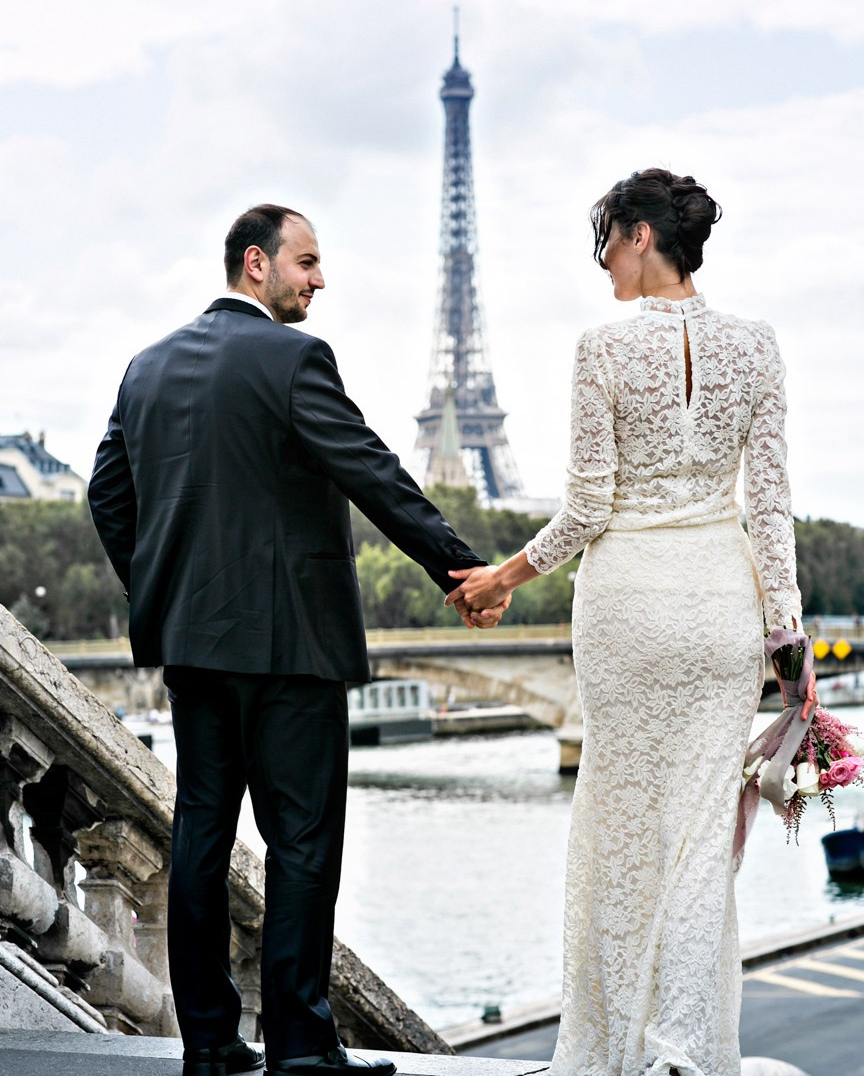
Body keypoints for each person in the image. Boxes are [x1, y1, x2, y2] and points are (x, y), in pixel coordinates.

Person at [88, 204, 504, 1076]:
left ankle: (207, 1041)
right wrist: (459, 569)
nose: (319, 280)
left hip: (194, 647)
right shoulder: (293, 358)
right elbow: (372, 470)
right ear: (255, 265)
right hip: (290, 645)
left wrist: (164, 595)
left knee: (201, 833)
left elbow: (107, 496)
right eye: (307, 262)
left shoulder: (146, 366)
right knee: (303, 841)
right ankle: (301, 1045)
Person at [446, 169, 805, 1076]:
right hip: (719, 608)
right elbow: (770, 508)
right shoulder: (757, 347)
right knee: (696, 839)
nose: (602, 258)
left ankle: (612, 1043)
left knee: (620, 828)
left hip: (628, 611)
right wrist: (786, 635)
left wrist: (505, 577)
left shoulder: (602, 352)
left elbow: (587, 510)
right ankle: (680, 1048)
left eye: (607, 237)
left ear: (643, 236)